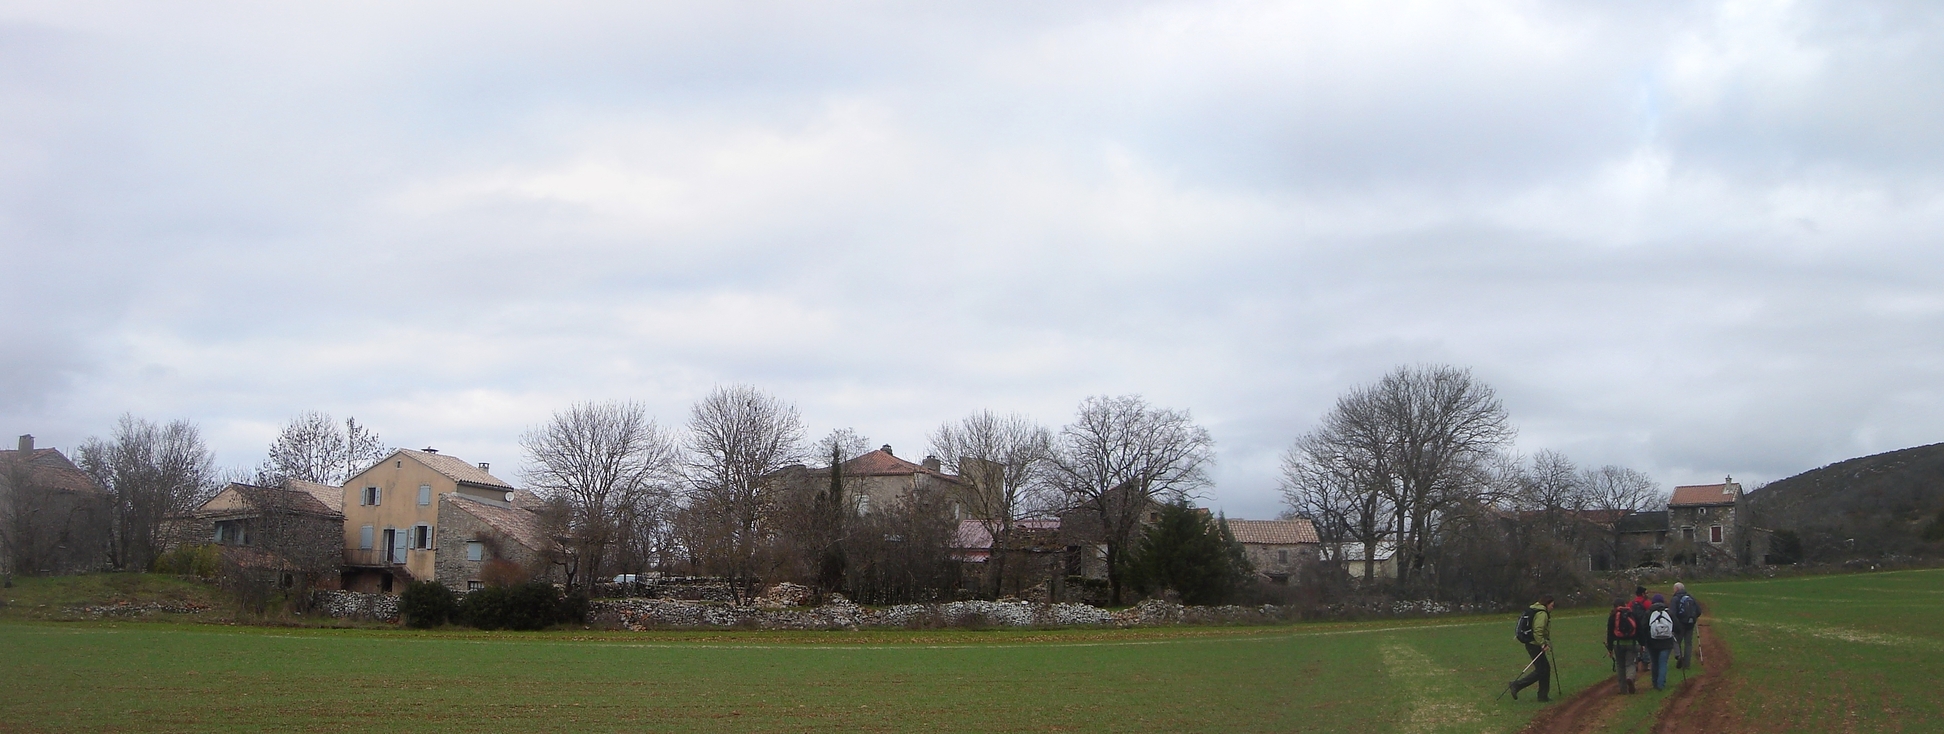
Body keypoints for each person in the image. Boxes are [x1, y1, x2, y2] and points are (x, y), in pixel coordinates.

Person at [1508, 595, 1555, 702]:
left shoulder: (1535, 609)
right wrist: (1543, 643)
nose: (1553, 608)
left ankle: (1543, 696)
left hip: (1532, 643)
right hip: (1534, 644)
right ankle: (1516, 685)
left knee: (1545, 669)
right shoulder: (1542, 613)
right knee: (1541, 670)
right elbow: (1538, 630)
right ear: (1547, 604)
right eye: (1552, 605)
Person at [1605, 596, 1642, 694]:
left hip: (1618, 644)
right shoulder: (1632, 614)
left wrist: (1610, 648)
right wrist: (1642, 644)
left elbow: (1610, 633)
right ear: (1625, 604)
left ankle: (1623, 689)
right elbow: (1639, 630)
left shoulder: (1613, 616)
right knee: (1630, 663)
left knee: (1620, 666)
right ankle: (1630, 678)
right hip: (1632, 643)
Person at [1644, 593, 1678, 690]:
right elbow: (1677, 626)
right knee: (1663, 663)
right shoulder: (1669, 612)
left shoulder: (1649, 613)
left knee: (1654, 663)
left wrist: (1646, 639)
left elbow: (1643, 626)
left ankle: (1655, 683)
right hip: (1666, 642)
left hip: (1652, 642)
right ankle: (1661, 684)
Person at [1671, 582, 1703, 669]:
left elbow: (1672, 613)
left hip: (1680, 624)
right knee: (1688, 643)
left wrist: (1674, 624)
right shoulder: (1690, 597)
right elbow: (1699, 611)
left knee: (1676, 641)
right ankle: (1687, 664)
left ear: (1677, 589)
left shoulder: (1675, 599)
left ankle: (1679, 656)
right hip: (1690, 623)